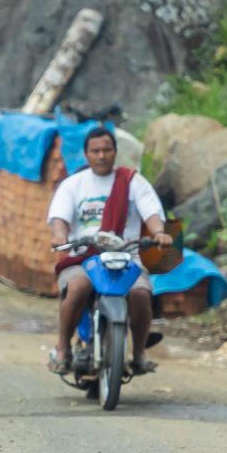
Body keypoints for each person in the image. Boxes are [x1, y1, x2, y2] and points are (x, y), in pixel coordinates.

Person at [47, 126, 173, 375]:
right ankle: (63, 348)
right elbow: (59, 217)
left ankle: (139, 354)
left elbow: (151, 211)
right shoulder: (73, 185)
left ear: (116, 152)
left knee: (140, 294)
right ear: (86, 154)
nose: (101, 156)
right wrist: (60, 235)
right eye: (95, 151)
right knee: (78, 286)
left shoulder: (132, 181)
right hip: (83, 257)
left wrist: (159, 232)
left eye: (107, 150)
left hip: (126, 256)